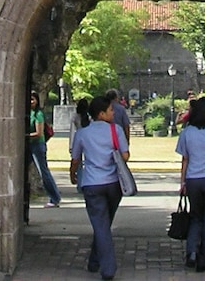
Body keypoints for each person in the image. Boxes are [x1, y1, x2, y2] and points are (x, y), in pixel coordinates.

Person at [70, 96, 130, 280]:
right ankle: (100, 263)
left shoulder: (83, 133)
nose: (114, 112)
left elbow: (75, 158)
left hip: (92, 183)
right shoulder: (116, 130)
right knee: (104, 223)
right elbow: (125, 156)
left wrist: (72, 174)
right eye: (111, 110)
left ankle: (105, 266)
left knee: (100, 225)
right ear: (101, 114)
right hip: (113, 183)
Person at [175, 96, 205, 272]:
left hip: (193, 179)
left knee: (196, 217)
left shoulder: (187, 132)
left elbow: (185, 159)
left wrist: (182, 181)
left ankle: (191, 251)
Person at [28, 91, 61, 208]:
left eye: (33, 99)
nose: (31, 102)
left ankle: (55, 198)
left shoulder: (38, 114)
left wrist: (25, 135)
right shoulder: (27, 113)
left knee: (43, 172)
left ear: (37, 101)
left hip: (37, 145)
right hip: (29, 145)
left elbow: (39, 133)